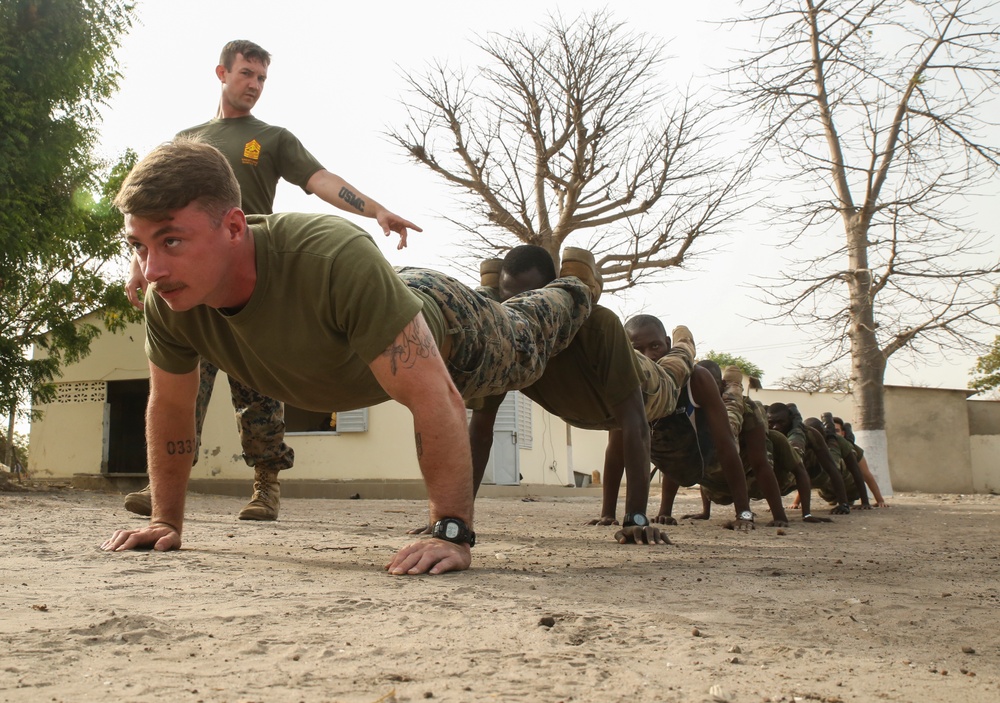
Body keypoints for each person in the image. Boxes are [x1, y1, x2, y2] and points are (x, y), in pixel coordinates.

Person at [100, 139, 598, 576]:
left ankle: (575, 286)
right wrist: (165, 520)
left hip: (449, 324)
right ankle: (495, 289)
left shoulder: (330, 256)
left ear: (233, 227)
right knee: (506, 326)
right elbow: (169, 408)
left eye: (170, 240)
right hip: (382, 304)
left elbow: (434, 395)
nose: (152, 269)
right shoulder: (168, 301)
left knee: (527, 342)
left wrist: (450, 531)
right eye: (139, 247)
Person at [122, 39, 421, 522]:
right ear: (221, 73)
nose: (254, 86)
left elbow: (320, 179)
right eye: (246, 75)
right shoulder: (186, 141)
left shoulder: (272, 138)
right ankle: (163, 487)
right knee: (179, 386)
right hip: (192, 278)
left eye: (262, 78)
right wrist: (141, 265)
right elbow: (158, 213)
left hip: (253, 275)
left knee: (258, 386)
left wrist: (376, 210)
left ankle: (266, 484)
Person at [623, 320, 759, 531]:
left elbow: (726, 445)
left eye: (655, 346)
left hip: (712, 443)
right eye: (637, 349)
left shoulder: (696, 378)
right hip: (680, 442)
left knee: (732, 410)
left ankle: (732, 384)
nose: (648, 355)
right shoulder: (627, 382)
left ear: (666, 345)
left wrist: (744, 512)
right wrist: (608, 513)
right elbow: (618, 450)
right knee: (674, 445)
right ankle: (682, 339)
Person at [767, 403, 855, 515]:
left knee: (833, 451)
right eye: (771, 423)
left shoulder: (811, 434)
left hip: (819, 474)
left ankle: (831, 432)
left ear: (789, 419)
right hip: (794, 477)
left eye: (781, 422)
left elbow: (831, 468)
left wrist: (844, 504)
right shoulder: (768, 434)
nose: (776, 427)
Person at [832, 416, 889, 507]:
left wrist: (880, 500)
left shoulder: (854, 450)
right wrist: (800, 503)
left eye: (836, 431)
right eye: (830, 430)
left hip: (849, 491)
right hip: (828, 491)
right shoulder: (821, 448)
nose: (833, 434)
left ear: (843, 433)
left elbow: (866, 475)